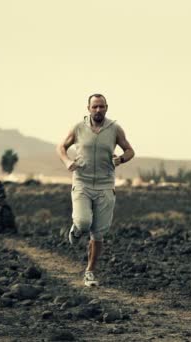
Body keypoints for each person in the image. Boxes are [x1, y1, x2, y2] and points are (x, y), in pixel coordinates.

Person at [56, 94, 134, 286]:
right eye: (95, 107)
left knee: (98, 233)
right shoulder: (78, 128)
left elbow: (130, 150)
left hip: (105, 184)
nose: (98, 110)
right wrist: (67, 161)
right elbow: (61, 147)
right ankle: (76, 228)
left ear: (106, 107)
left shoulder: (115, 129)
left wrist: (121, 159)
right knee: (83, 222)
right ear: (88, 108)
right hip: (82, 182)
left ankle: (90, 272)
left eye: (101, 107)